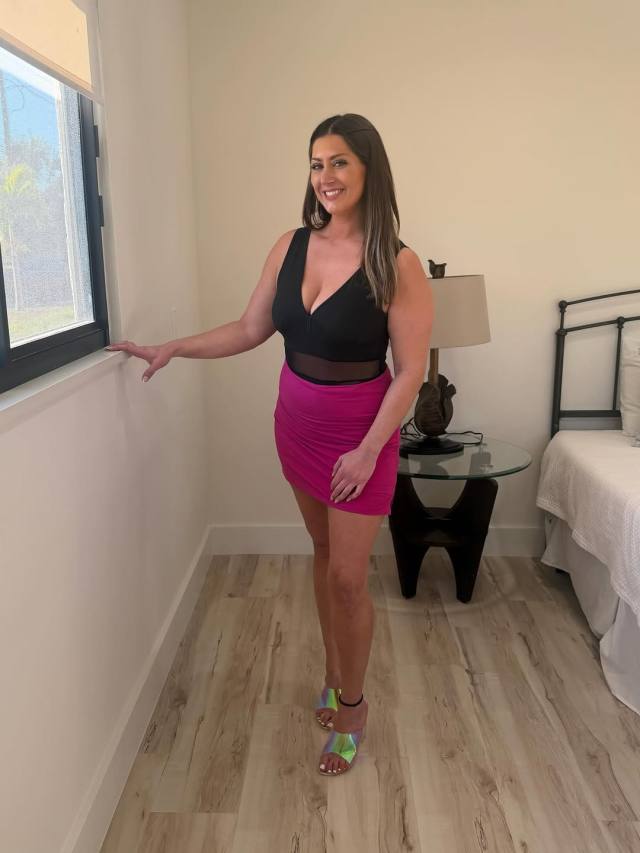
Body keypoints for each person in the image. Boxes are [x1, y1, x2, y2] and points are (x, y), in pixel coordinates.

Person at [105, 113, 433, 777]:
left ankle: (354, 707)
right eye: (316, 163)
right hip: (297, 428)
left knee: (348, 578)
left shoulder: (397, 262)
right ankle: (334, 672)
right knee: (322, 553)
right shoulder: (290, 245)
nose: (325, 176)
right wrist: (175, 347)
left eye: (339, 162)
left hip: (361, 439)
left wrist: (370, 449)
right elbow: (250, 328)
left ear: (368, 169)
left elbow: (411, 372)